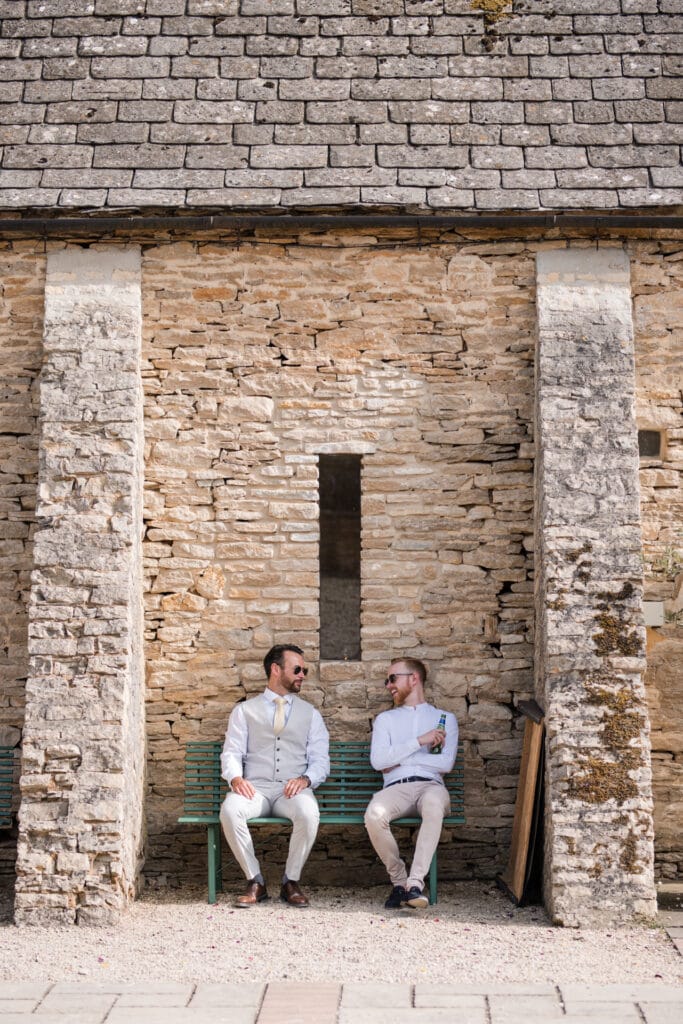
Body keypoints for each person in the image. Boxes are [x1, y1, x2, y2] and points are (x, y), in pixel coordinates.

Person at [219, 644, 330, 908]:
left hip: (291, 790)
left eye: (304, 670)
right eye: (297, 669)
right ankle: (255, 880)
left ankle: (291, 881)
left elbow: (320, 760)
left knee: (308, 812)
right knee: (230, 810)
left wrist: (305, 780)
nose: (302, 674)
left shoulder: (311, 714)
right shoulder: (244, 711)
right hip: (254, 788)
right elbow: (231, 752)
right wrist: (236, 778)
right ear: (276, 669)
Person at [364, 657, 458, 909]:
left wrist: (400, 759)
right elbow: (378, 761)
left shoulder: (445, 719)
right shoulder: (386, 720)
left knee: (433, 805)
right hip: (397, 789)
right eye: (387, 680)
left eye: (393, 678)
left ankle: (416, 883)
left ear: (413, 678)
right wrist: (420, 741)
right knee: (374, 814)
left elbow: (446, 764)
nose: (388, 685)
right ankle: (400, 882)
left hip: (432, 786)